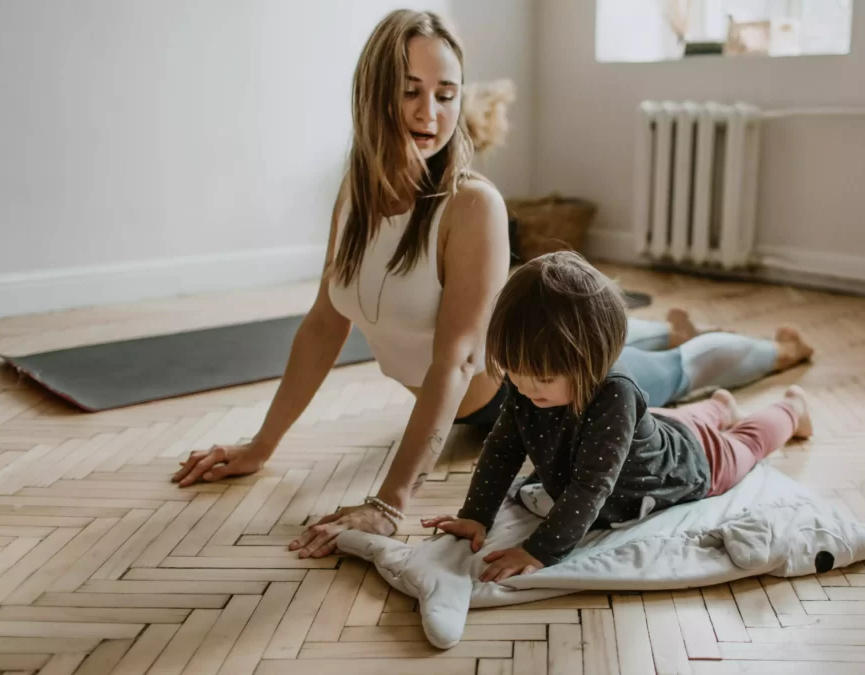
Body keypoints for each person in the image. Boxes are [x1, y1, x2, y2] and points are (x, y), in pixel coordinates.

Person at [170, 9, 813, 558]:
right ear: (372, 92)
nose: (430, 112)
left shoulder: (471, 205)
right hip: (518, 375)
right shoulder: (355, 197)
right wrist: (262, 444)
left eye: (446, 93)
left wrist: (390, 503)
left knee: (675, 370)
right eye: (410, 90)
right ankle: (672, 344)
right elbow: (322, 325)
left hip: (546, 390)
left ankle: (777, 355)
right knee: (649, 352)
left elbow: (454, 360)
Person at [422, 251, 812, 581]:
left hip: (691, 462)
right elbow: (503, 448)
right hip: (658, 428)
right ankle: (720, 405)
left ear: (591, 361)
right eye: (515, 373)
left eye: (541, 378)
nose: (525, 387)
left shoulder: (615, 394)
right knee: (679, 421)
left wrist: (539, 551)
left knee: (747, 442)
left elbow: (591, 487)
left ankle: (792, 408)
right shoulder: (528, 385)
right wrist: (476, 514)